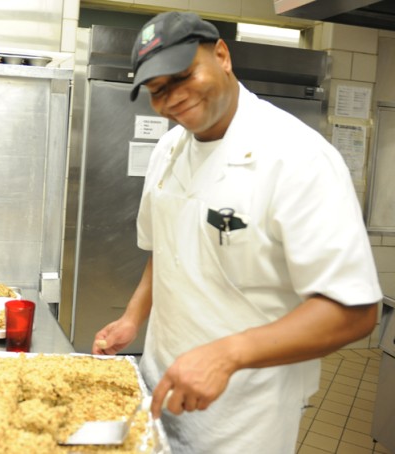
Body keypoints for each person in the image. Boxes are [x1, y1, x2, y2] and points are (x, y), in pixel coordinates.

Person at [92, 11, 382, 454]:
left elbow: (356, 310)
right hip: (158, 381)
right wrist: (132, 318)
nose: (172, 98)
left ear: (222, 55)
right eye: (157, 90)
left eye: (184, 75)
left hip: (245, 413)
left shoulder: (297, 158)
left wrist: (226, 354)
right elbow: (167, 247)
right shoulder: (170, 148)